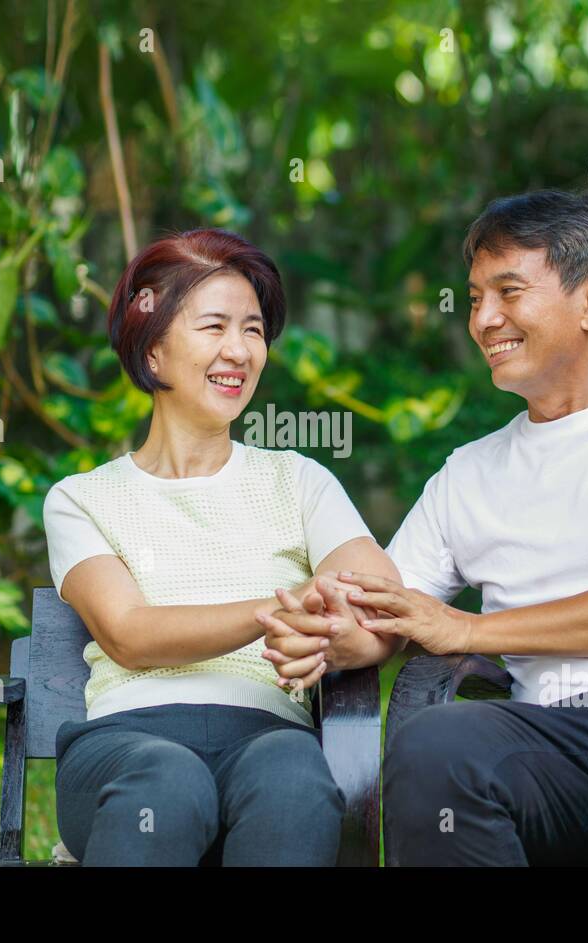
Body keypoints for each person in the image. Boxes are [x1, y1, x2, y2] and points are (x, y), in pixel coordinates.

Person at [259, 189, 588, 866]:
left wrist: (469, 630)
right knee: (436, 747)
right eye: (474, 297)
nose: (485, 319)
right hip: (555, 746)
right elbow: (388, 609)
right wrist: (338, 633)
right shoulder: (469, 472)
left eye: (509, 292)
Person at [42, 227, 400, 866]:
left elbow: (381, 606)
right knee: (168, 784)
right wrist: (281, 611)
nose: (240, 350)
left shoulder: (299, 482)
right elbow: (130, 633)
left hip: (266, 734)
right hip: (127, 741)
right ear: (153, 353)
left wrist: (336, 634)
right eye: (214, 327)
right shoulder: (81, 499)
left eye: (255, 330)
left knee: (295, 781)